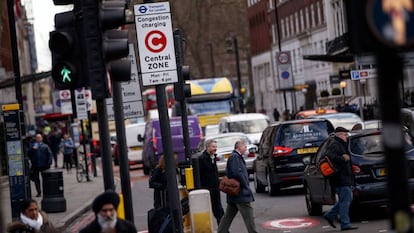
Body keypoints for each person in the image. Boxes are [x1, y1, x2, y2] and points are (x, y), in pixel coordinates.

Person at [217, 139, 257, 233]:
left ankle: (221, 231)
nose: (246, 149)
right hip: (240, 192)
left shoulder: (236, 156)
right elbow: (237, 172)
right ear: (239, 147)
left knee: (228, 216)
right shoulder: (235, 157)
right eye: (245, 147)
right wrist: (245, 184)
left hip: (235, 194)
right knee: (249, 215)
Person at [323, 127, 358, 231]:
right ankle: (345, 223)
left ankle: (330, 214)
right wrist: (343, 158)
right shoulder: (335, 145)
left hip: (343, 177)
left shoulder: (340, 144)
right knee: (345, 201)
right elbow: (329, 156)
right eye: (345, 134)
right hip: (340, 178)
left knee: (346, 199)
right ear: (339, 135)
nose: (347, 136)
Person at [198, 139, 224, 225]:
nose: (215, 148)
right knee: (214, 211)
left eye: (216, 147)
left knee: (219, 211)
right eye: (213, 147)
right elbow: (200, 175)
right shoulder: (202, 159)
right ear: (207, 147)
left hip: (215, 189)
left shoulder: (213, 158)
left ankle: (223, 229)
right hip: (207, 190)